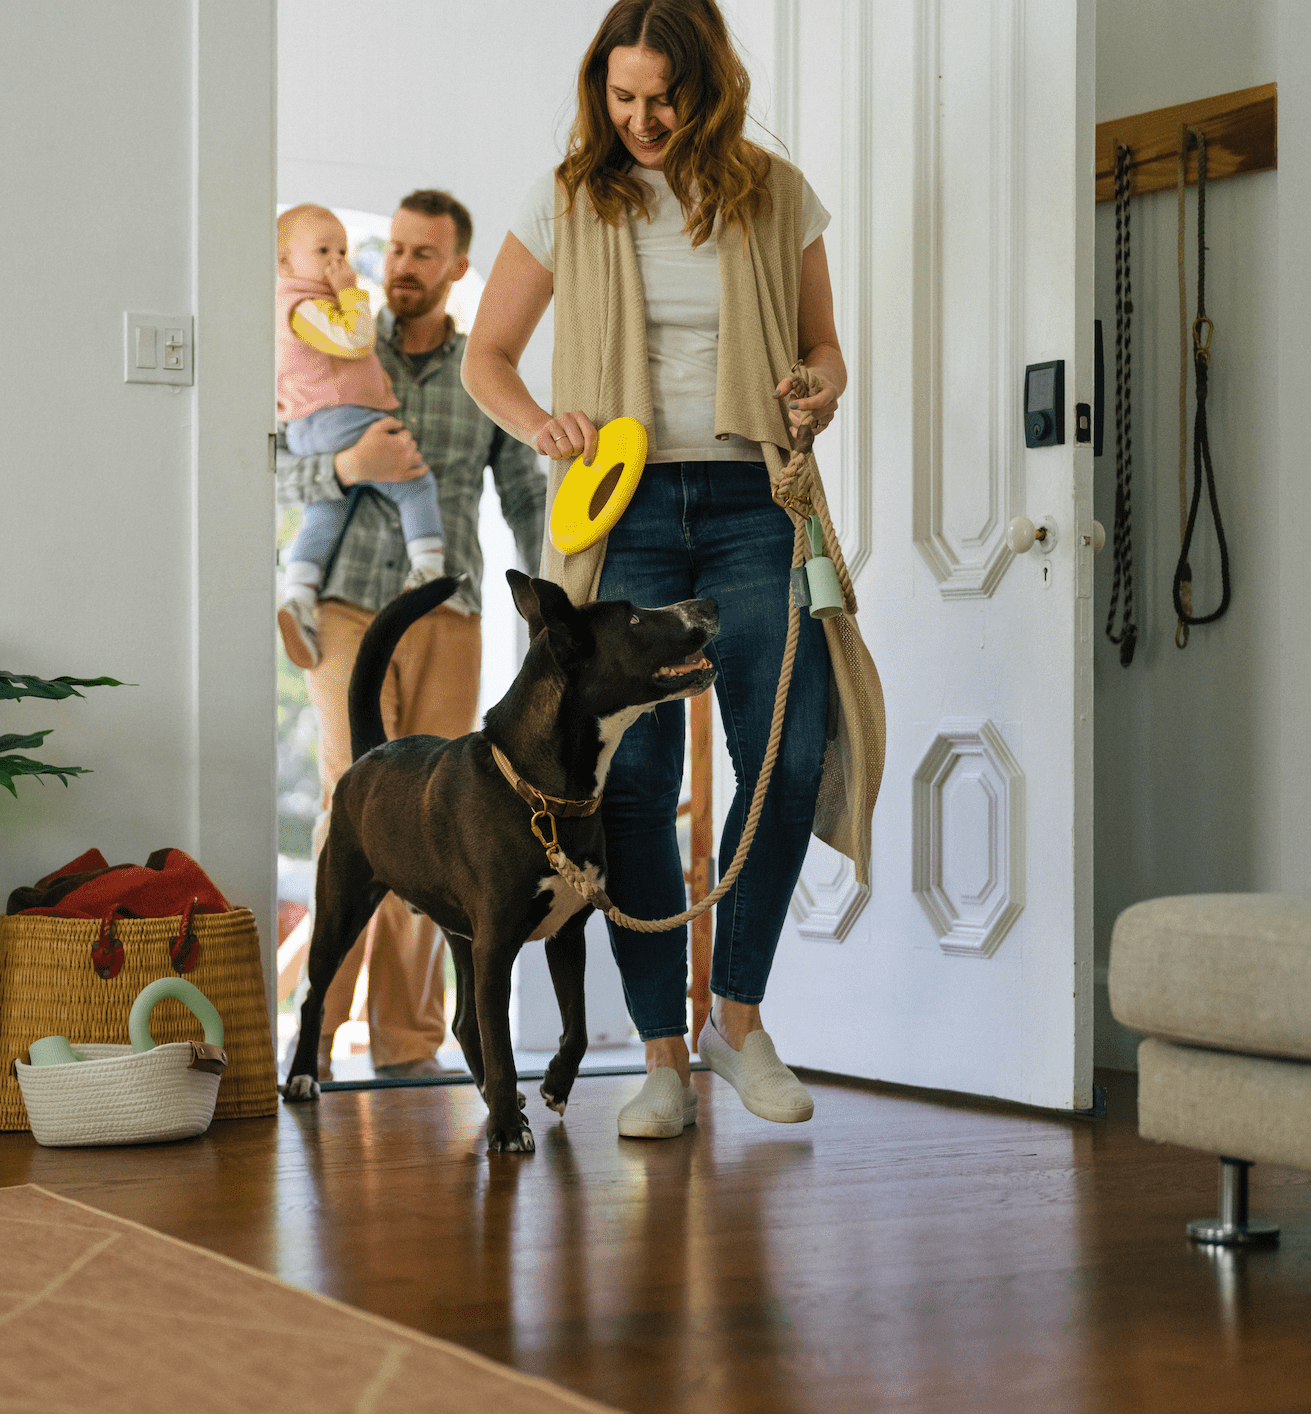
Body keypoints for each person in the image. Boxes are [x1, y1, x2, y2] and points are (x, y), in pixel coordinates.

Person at [464, 0, 862, 1138]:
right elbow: (487, 357)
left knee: (786, 758)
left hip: (753, 499)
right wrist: (538, 423)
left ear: (709, 89)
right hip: (621, 512)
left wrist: (819, 385)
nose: (640, 119)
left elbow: (824, 347)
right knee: (631, 783)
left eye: (664, 98)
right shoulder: (566, 199)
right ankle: (659, 1059)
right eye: (622, 95)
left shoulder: (776, 194)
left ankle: (737, 1022)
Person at [277, 188, 545, 1080]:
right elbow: (274, 463)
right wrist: (348, 465)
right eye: (394, 248)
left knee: (439, 821)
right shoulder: (336, 343)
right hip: (348, 606)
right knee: (351, 804)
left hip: (448, 615)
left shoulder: (484, 372)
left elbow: (526, 497)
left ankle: (407, 1045)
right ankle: (314, 1042)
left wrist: (557, 605)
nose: (400, 266)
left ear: (458, 267)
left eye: (423, 254)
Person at [275, 203, 445, 669]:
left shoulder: (302, 305)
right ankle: (429, 570)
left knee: (324, 515)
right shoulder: (303, 306)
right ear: (284, 263)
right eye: (323, 252)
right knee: (414, 483)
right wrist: (351, 292)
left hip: (315, 429)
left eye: (342, 251)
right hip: (338, 418)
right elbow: (354, 339)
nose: (337, 262)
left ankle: (299, 597)